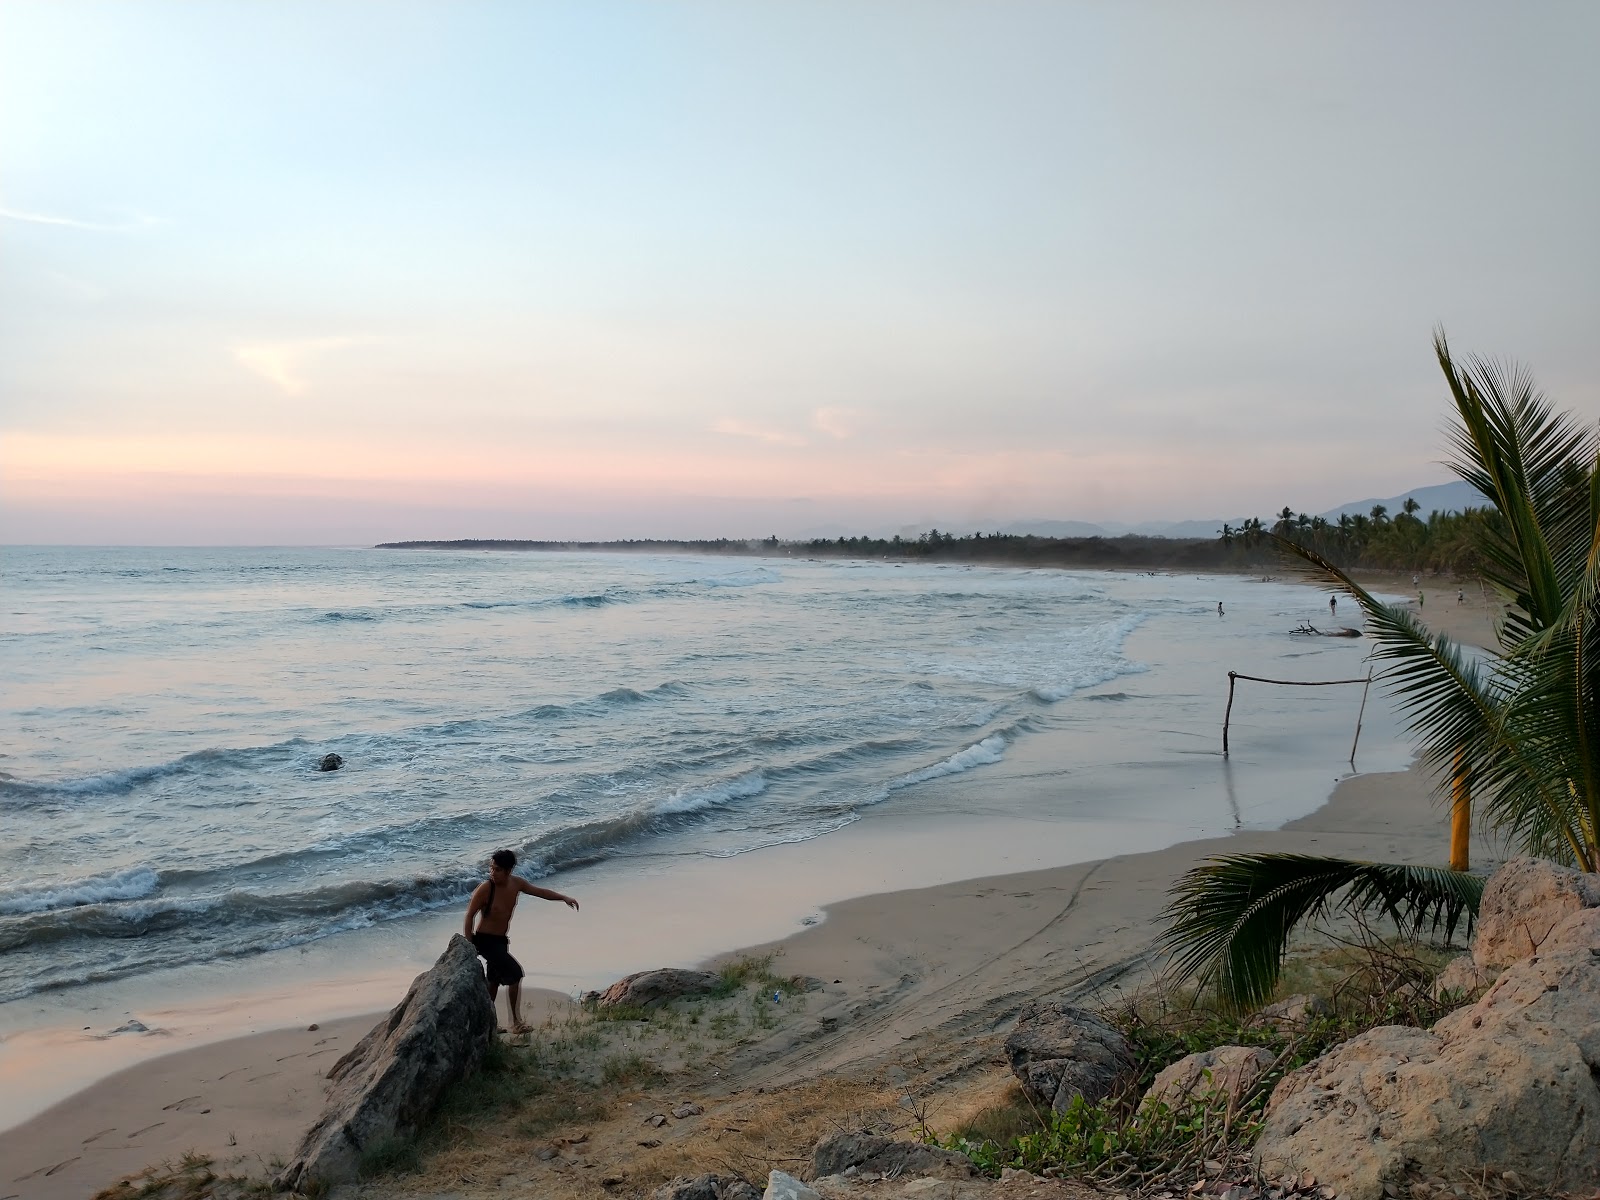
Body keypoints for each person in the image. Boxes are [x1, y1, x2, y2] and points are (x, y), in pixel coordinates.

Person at [463, 849, 579, 1034]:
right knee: (515, 974)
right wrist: (469, 944)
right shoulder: (485, 888)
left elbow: (539, 892)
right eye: (491, 869)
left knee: (493, 981)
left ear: (509, 871)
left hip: (500, 941)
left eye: (498, 870)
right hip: (485, 941)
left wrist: (563, 897)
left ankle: (488, 1025)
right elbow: (469, 916)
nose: (493, 873)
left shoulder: (516, 884)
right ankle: (515, 1022)